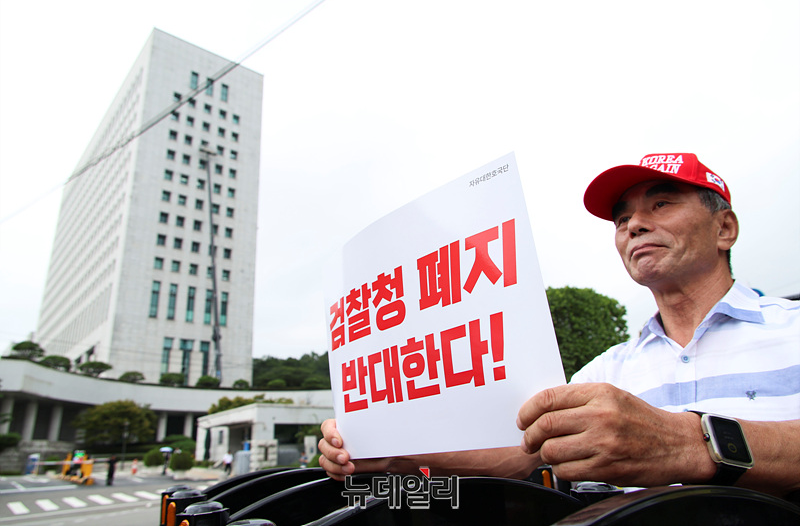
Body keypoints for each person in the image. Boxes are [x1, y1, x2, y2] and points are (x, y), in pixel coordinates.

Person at [318, 152, 800, 498]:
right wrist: (392, 452)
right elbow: (524, 450)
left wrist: (691, 444)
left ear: (724, 228)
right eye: (622, 218)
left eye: (662, 203)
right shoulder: (606, 374)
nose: (634, 225)